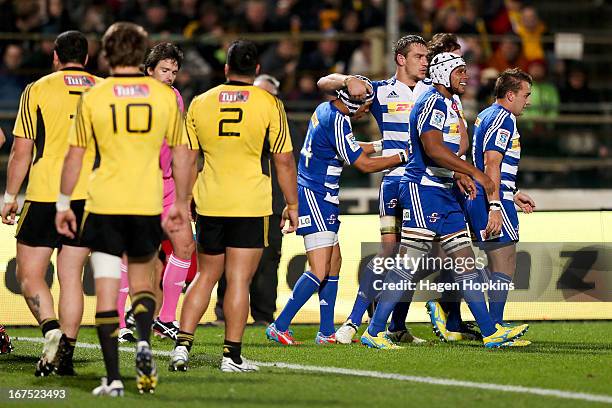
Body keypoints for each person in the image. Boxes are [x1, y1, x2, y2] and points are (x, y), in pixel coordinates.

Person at [55, 22, 192, 396]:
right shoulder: (165, 97)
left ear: (107, 54)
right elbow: (182, 155)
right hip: (148, 200)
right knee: (144, 280)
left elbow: (74, 156)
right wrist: (181, 200)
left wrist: (64, 203)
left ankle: (114, 377)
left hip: (105, 202)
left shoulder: (95, 95)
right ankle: (145, 343)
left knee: (107, 288)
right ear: (141, 54)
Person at [361, 52, 529, 349]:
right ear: (443, 74)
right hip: (423, 189)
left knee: (465, 264)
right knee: (407, 264)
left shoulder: (449, 103)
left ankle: (491, 332)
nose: (466, 76)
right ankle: (374, 330)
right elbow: (434, 149)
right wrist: (474, 172)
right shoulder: (433, 102)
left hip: (443, 190)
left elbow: (452, 150)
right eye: (460, 71)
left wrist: (458, 174)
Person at [170, 40, 298, 372]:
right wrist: (292, 203)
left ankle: (182, 347)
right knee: (239, 280)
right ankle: (231, 356)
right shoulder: (268, 102)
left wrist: (184, 200)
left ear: (225, 68)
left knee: (206, 276)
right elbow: (283, 161)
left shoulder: (201, 102)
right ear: (256, 70)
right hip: (251, 203)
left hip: (210, 200)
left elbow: (187, 156)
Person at [265, 75, 410, 345]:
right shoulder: (338, 121)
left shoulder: (327, 110)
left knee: (334, 264)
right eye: (366, 106)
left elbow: (349, 148)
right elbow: (364, 165)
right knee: (319, 269)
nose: (368, 110)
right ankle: (280, 324)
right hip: (316, 195)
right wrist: (402, 156)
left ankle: (326, 331)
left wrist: (381, 146)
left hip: (323, 195)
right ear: (354, 105)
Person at [316, 35, 430, 345]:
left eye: (427, 57)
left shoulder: (433, 93)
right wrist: (350, 78)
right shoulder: (379, 90)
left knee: (415, 260)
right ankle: (353, 322)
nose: (424, 61)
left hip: (427, 184)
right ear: (400, 59)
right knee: (389, 254)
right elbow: (324, 83)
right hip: (394, 180)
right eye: (418, 56)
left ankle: (396, 326)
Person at [1, 31, 100, 376]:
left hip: (46, 192)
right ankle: (66, 357)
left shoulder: (38, 88)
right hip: (90, 196)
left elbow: (21, 151)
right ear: (87, 59)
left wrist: (10, 196)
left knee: (28, 274)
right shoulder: (104, 90)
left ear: (55, 57)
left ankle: (51, 330)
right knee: (71, 274)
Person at [214, 74, 298, 326]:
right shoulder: (242, 122)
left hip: (270, 203)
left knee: (268, 259)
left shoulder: (286, 124)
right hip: (235, 199)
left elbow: (293, 163)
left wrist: (290, 201)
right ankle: (224, 313)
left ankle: (262, 315)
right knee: (230, 257)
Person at [464, 68, 536, 347]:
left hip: (494, 194)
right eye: (525, 95)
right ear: (510, 95)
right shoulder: (504, 119)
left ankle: (491, 322)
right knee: (504, 261)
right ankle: (493, 327)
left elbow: (492, 165)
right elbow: (491, 162)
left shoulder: (487, 114)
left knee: (496, 262)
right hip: (491, 198)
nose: (528, 101)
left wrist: (513, 192)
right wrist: (496, 204)